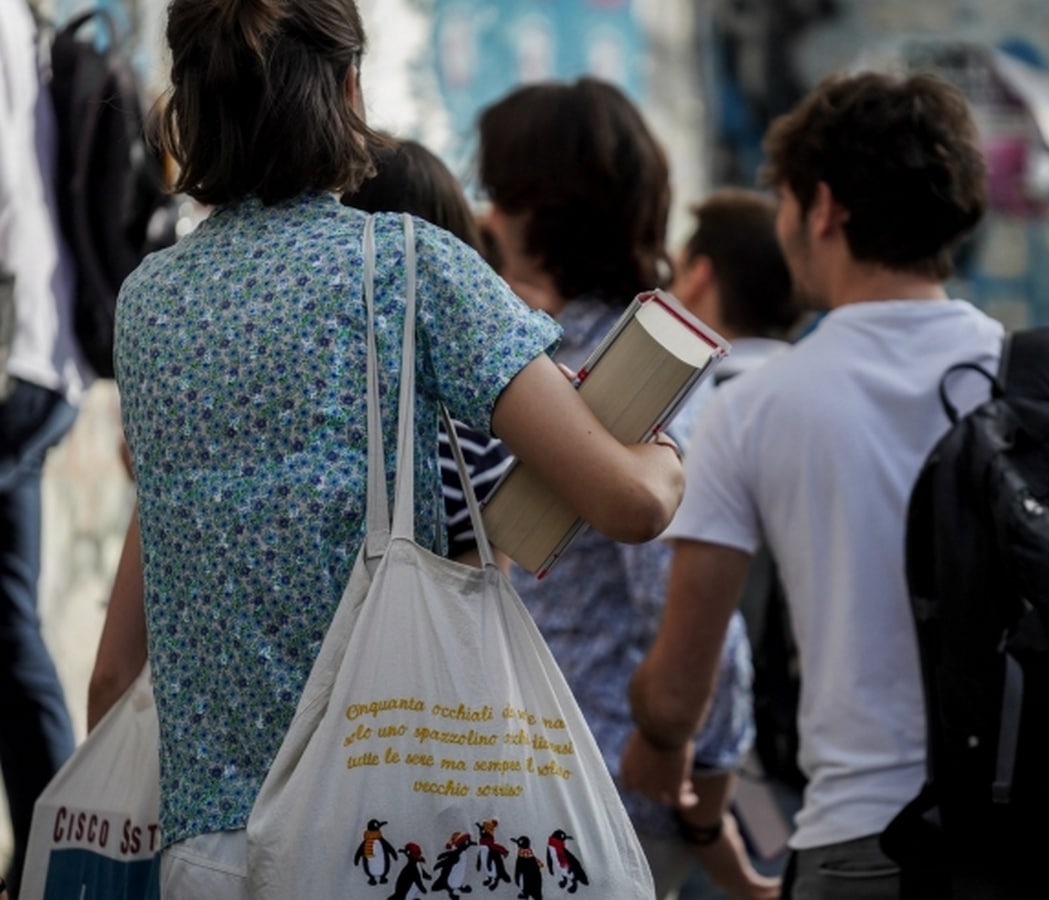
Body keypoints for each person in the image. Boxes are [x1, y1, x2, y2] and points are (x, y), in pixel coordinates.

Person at [107, 3, 684, 896]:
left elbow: (121, 657)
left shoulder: (146, 304)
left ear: (189, 104)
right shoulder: (407, 266)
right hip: (379, 840)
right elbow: (630, 505)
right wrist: (664, 454)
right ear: (346, 90)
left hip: (203, 849)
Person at [620, 70, 1049, 900]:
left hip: (867, 848)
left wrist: (656, 737)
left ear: (824, 208)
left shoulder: (754, 409)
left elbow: (677, 694)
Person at [88, 135, 516, 727]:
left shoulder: (207, 445)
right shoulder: (467, 448)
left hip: (220, 794)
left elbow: (111, 675)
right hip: (391, 781)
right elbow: (477, 643)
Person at [477, 77, 763, 900]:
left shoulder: (642, 372)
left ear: (544, 208)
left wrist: (690, 754)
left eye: (500, 193)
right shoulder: (544, 347)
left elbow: (692, 595)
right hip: (545, 782)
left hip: (599, 794)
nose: (488, 215)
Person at [662, 188, 800, 900]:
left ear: (700, 277)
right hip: (836, 763)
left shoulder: (701, 411)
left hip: (716, 770)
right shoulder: (821, 396)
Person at [0, 0, 91, 893]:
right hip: (41, 363)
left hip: (12, 363)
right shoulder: (23, 21)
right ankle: (50, 854)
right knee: (9, 624)